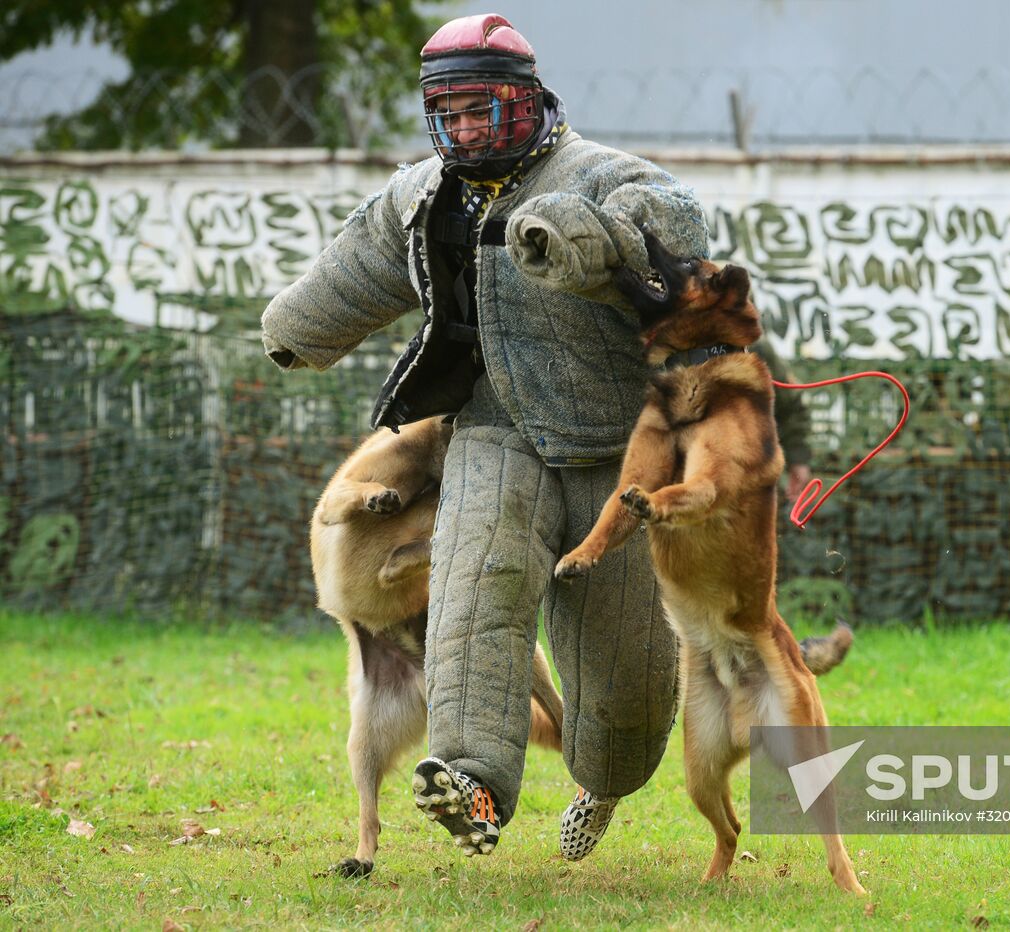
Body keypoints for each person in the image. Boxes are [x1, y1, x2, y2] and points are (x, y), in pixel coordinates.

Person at [261, 12, 809, 863]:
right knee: (476, 592)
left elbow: (670, 224)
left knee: (625, 681)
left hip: (620, 450)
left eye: (484, 108)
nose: (468, 127)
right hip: (490, 433)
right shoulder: (421, 194)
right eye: (451, 111)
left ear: (528, 99)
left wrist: (583, 239)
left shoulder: (604, 173)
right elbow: (367, 256)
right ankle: (471, 779)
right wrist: (297, 325)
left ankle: (606, 775)